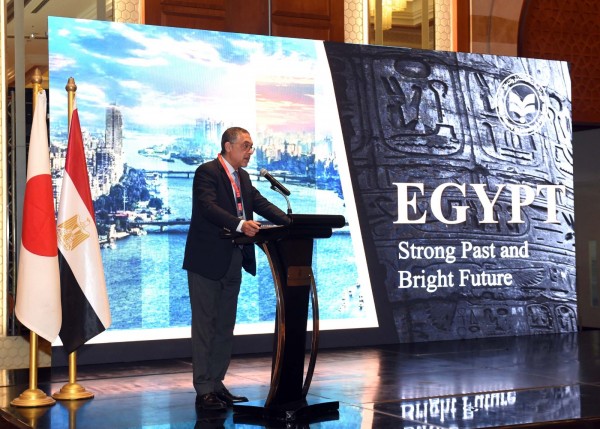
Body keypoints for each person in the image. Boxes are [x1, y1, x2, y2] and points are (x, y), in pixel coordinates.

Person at [183, 126, 290, 410]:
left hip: (233, 258)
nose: (250, 151)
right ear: (228, 146)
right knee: (205, 326)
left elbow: (259, 203)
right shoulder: (207, 172)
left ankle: (217, 384)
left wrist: (292, 222)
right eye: (246, 145)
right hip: (206, 261)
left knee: (224, 326)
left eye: (251, 146)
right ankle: (203, 389)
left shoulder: (243, 176)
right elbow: (208, 207)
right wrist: (240, 224)